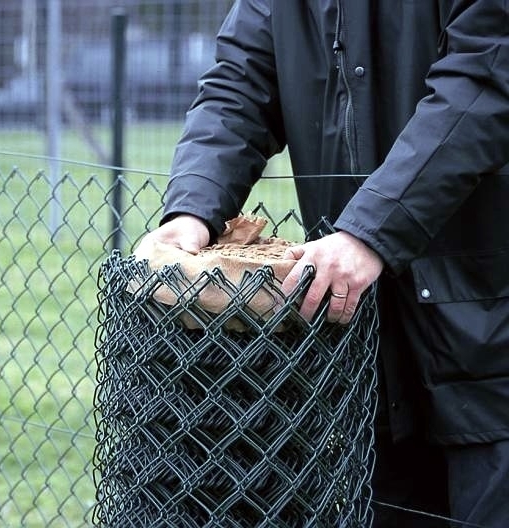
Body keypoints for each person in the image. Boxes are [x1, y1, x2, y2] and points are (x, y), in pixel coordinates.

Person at [139, 1, 509, 526]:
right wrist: (193, 210)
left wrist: (369, 231)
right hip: (369, 354)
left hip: (491, 343)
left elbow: (482, 84)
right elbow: (238, 85)